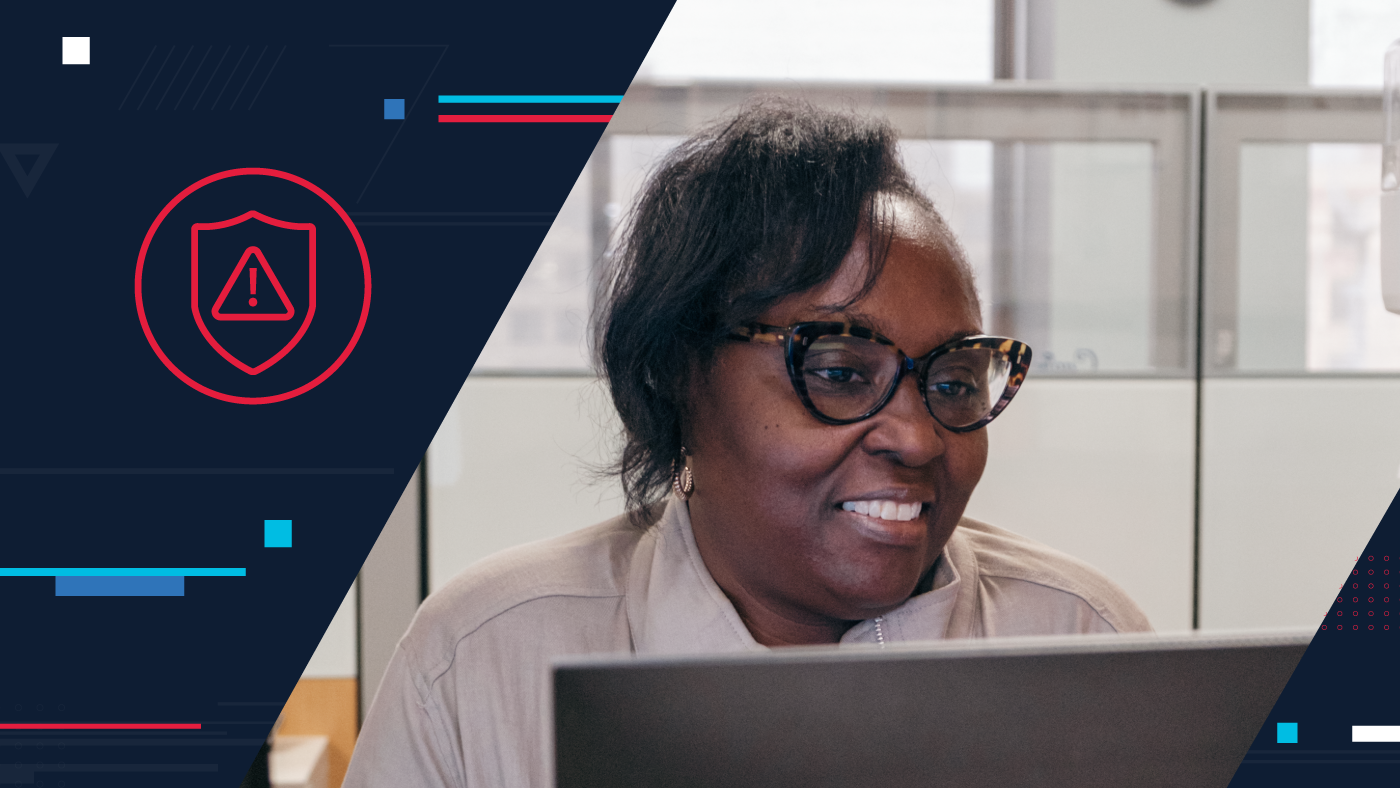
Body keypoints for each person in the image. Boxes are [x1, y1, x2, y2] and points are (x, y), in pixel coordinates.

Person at [343, 99, 1150, 788]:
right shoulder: (483, 661)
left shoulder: (1084, 644)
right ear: (675, 377)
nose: (917, 437)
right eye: (837, 370)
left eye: (952, 382)